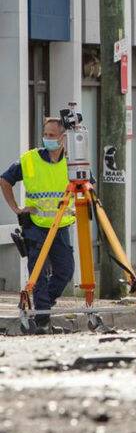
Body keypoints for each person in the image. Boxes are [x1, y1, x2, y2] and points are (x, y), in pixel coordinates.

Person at [0, 117, 76, 330]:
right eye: (46, 135)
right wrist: (16, 208)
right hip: (35, 225)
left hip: (61, 226)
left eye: (52, 135)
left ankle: (43, 305)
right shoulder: (30, 159)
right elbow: (5, 180)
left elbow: (86, 186)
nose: (47, 139)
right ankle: (42, 316)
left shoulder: (73, 161)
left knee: (65, 272)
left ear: (63, 138)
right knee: (38, 272)